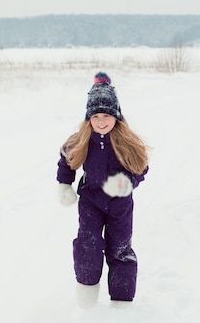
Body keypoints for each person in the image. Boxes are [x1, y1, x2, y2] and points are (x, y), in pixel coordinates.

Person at [56, 72, 149, 307]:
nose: (100, 121)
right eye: (95, 115)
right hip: (91, 200)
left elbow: (141, 167)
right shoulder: (82, 139)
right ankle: (87, 301)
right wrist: (65, 184)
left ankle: (121, 303)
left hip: (120, 204)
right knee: (88, 244)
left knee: (120, 249)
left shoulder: (126, 140)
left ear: (116, 115)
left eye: (106, 115)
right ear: (88, 118)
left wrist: (127, 182)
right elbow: (66, 159)